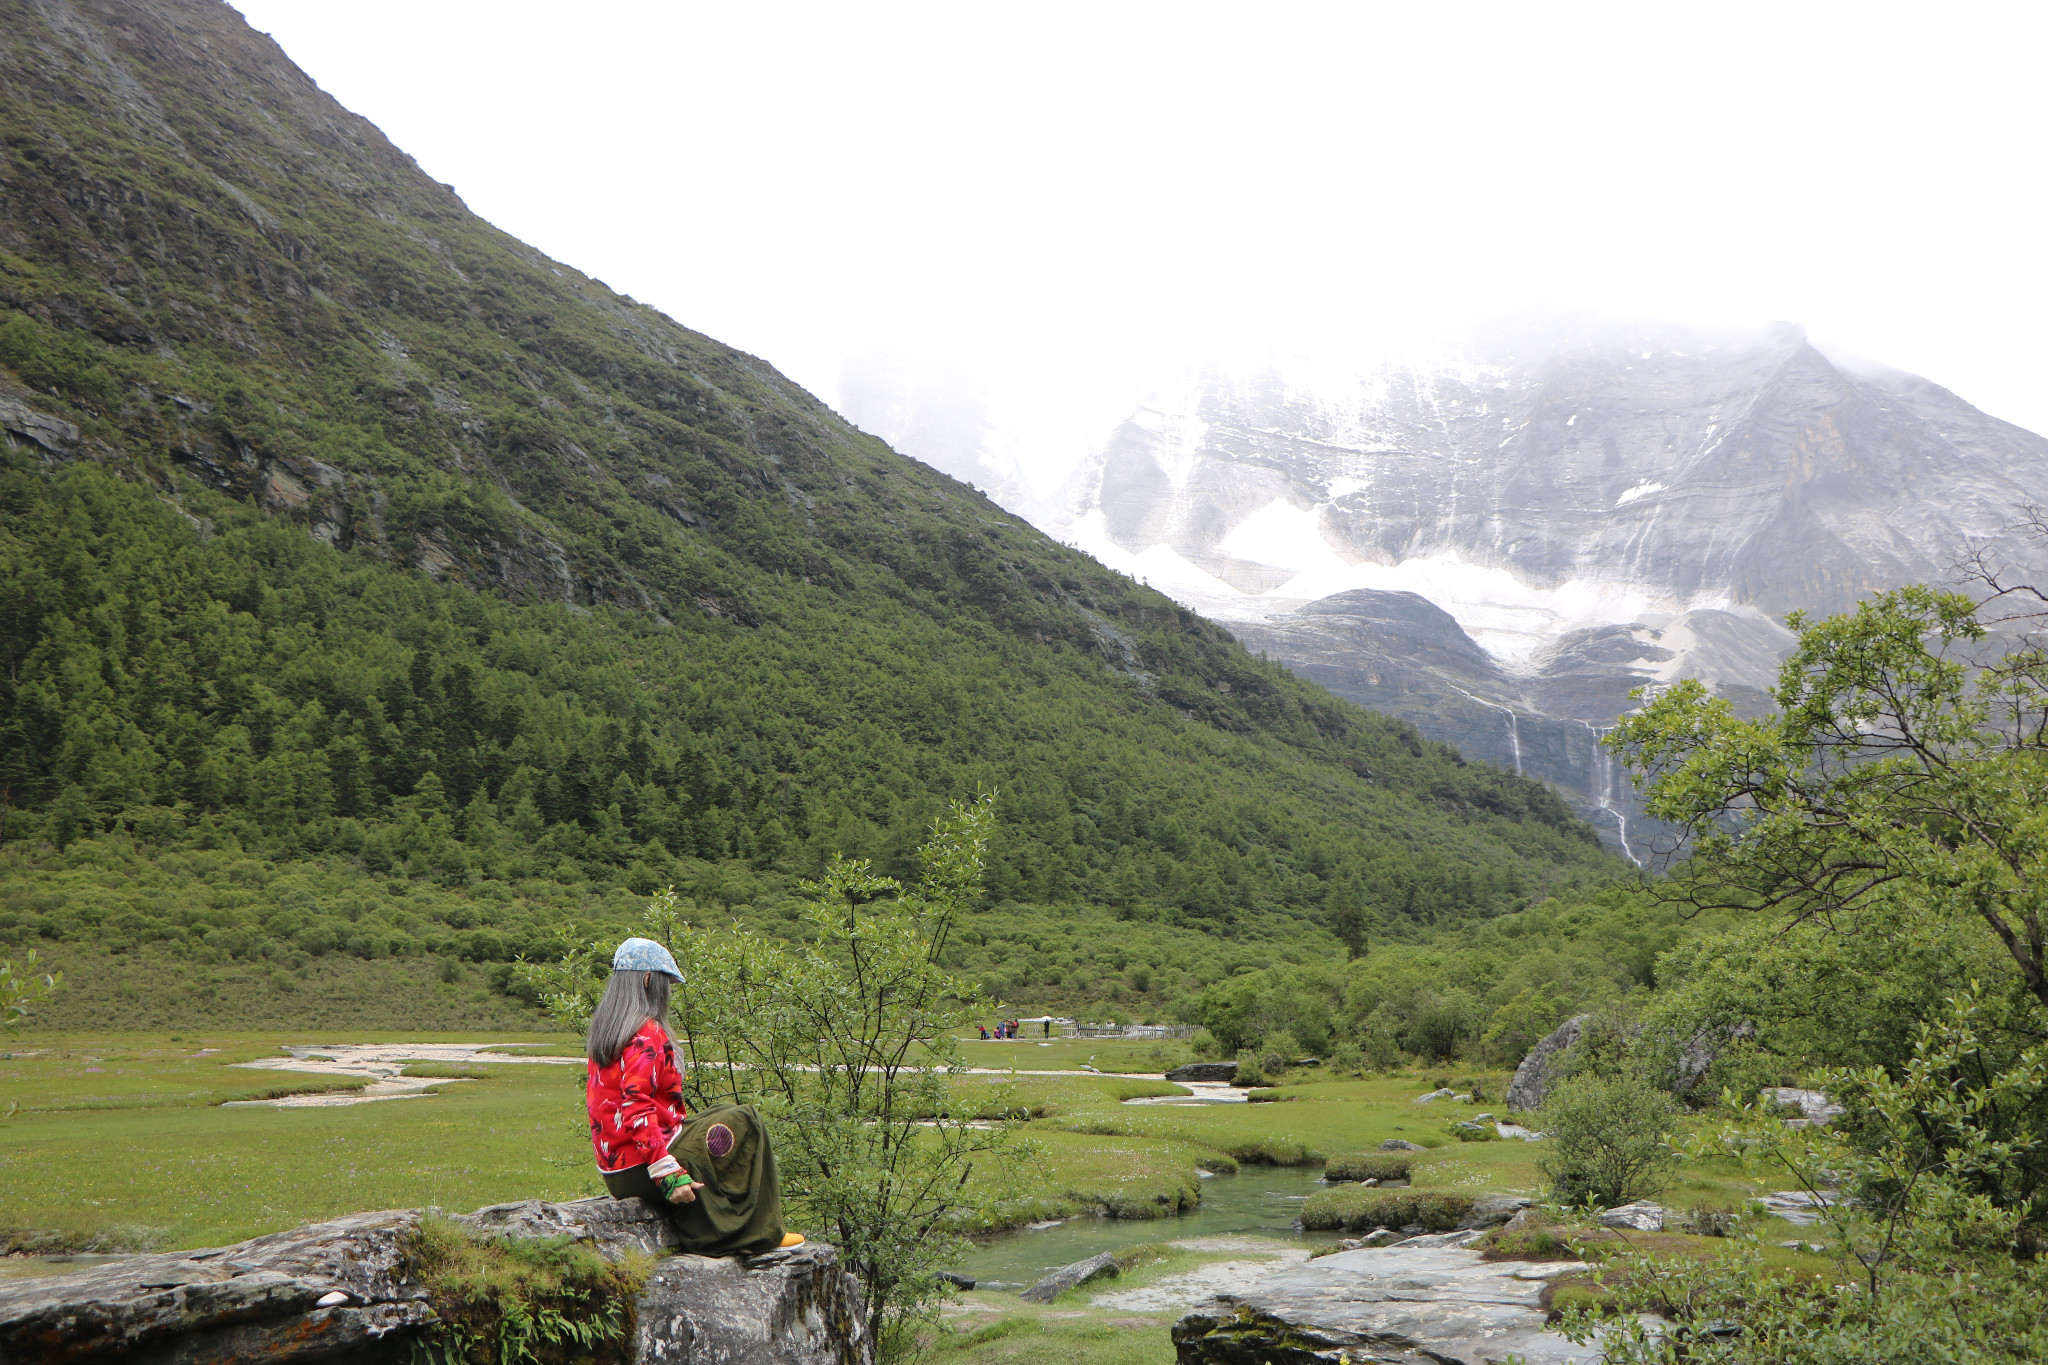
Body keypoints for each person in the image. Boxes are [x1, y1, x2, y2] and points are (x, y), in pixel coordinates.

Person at [586, 937, 804, 1255]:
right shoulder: (646, 1033)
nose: (669, 992)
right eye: (667, 983)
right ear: (649, 980)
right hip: (645, 1167)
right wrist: (666, 1171)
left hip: (619, 1173)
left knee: (722, 1111)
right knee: (747, 1120)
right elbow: (637, 1107)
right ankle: (759, 1232)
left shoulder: (607, 1033)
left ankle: (718, 1213)